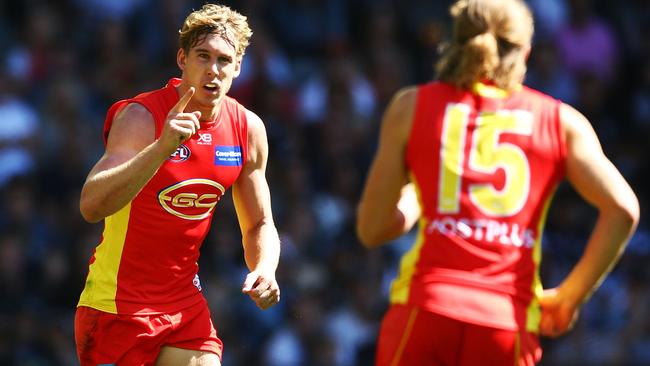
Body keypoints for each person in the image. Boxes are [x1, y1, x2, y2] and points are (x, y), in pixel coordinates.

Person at [356, 0, 639, 365]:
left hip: (424, 311)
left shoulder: (411, 106)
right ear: (526, 52)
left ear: (455, 41)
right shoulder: (561, 122)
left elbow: (372, 229)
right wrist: (569, 297)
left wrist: (419, 197)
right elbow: (623, 209)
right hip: (506, 322)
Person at [75, 4, 281, 365]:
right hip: (115, 306)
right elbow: (91, 205)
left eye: (223, 59)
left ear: (238, 67)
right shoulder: (142, 116)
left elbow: (260, 223)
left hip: (184, 304)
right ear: (182, 58)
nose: (212, 70)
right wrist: (161, 148)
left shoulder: (247, 129)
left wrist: (265, 268)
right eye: (203, 56)